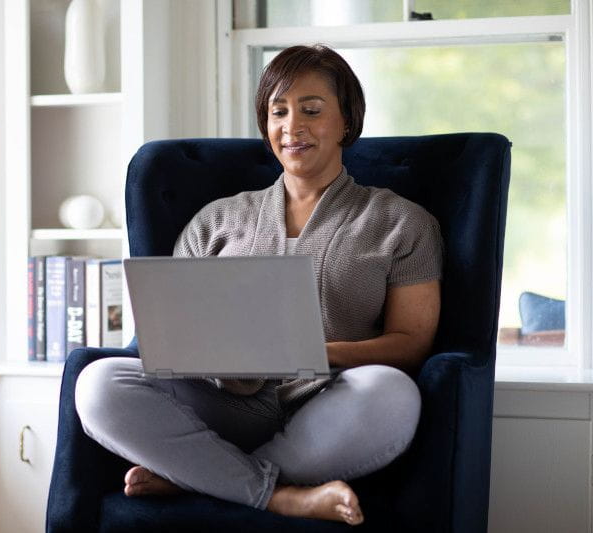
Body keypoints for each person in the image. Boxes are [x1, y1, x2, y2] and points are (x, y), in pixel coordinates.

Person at [74, 44, 443, 526]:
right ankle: (278, 496)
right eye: (278, 111)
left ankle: (196, 476)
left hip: (328, 406)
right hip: (223, 404)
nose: (293, 127)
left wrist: (315, 351)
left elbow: (411, 345)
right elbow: (173, 332)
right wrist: (214, 360)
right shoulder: (216, 221)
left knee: (393, 393)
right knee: (98, 383)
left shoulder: (401, 222)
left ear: (347, 121)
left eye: (312, 110)